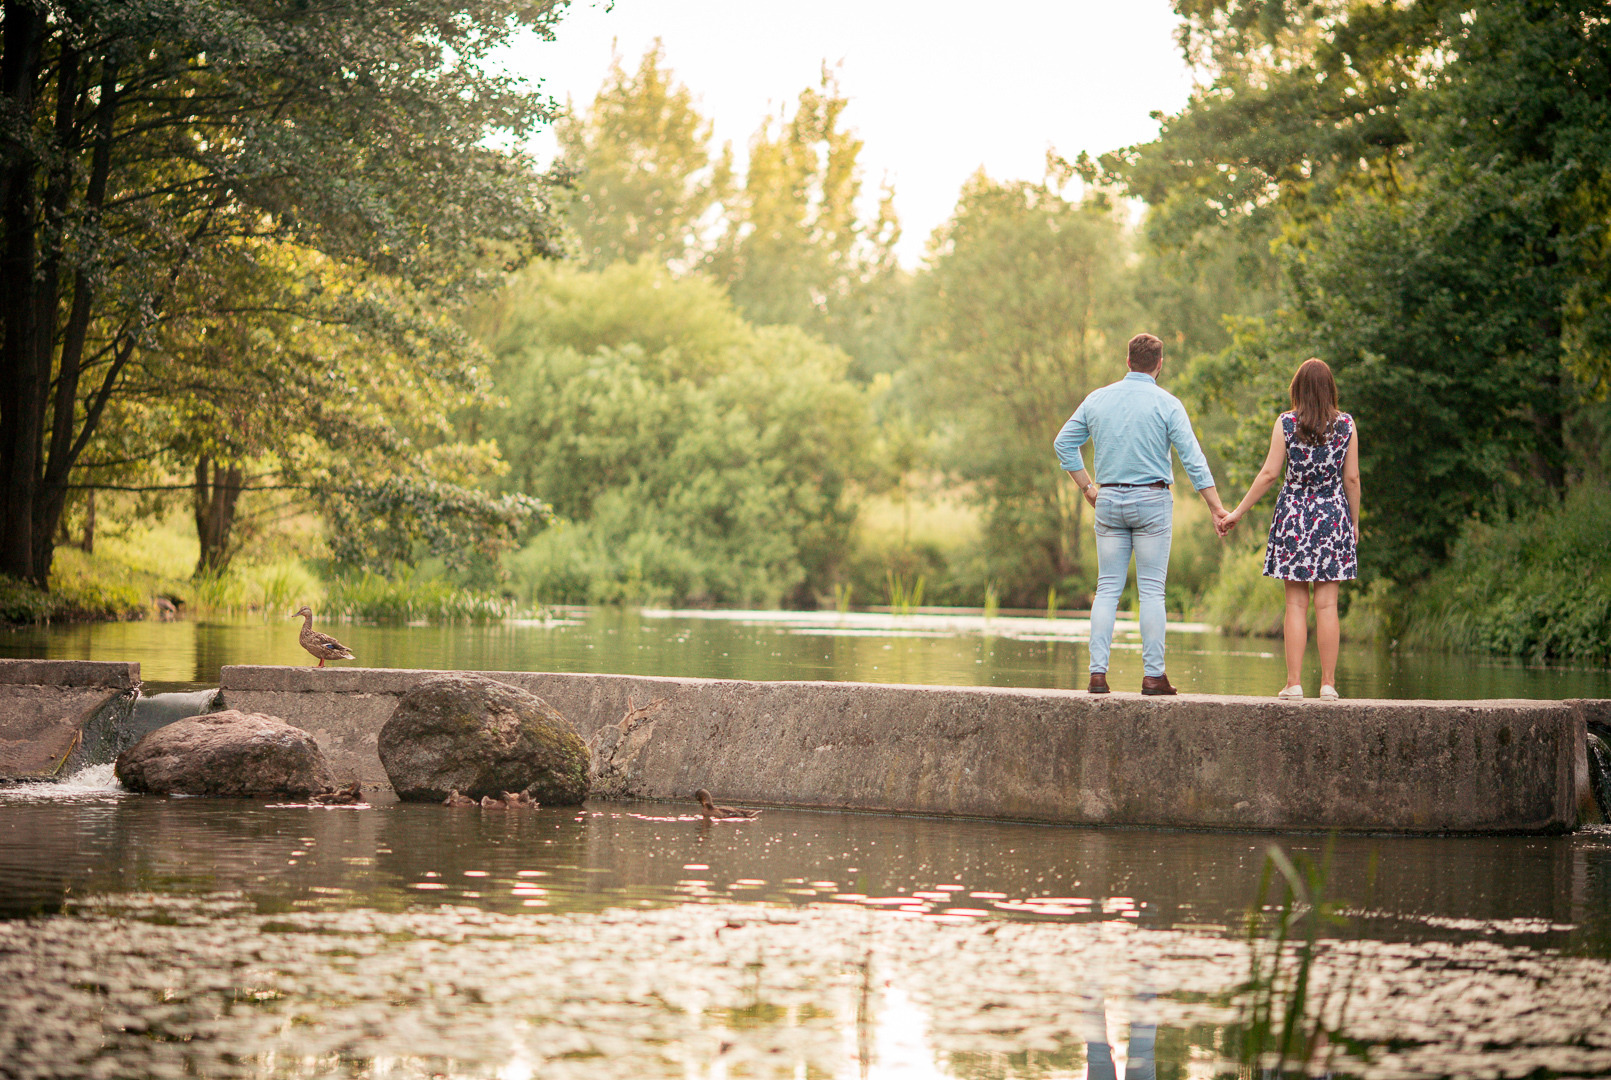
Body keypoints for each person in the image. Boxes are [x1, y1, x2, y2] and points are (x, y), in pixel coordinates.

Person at [1054, 333, 1227, 695]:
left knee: (1107, 590)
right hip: (1152, 501)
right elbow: (1193, 460)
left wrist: (1088, 487)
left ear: (1128, 361)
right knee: (1151, 592)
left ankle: (1097, 674)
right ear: (1159, 365)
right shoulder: (1168, 404)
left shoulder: (1097, 399)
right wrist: (1216, 509)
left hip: (1109, 499)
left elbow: (1063, 443)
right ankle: (1153, 676)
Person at [1217, 358, 1361, 700]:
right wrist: (1354, 523)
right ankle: (1328, 685)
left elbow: (1269, 474)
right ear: (1330, 390)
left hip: (1294, 517)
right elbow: (1352, 478)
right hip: (1332, 519)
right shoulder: (1347, 426)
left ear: (1297, 388)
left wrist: (1237, 512)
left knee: (1295, 605)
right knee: (1327, 606)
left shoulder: (1286, 423)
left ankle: (1293, 683)